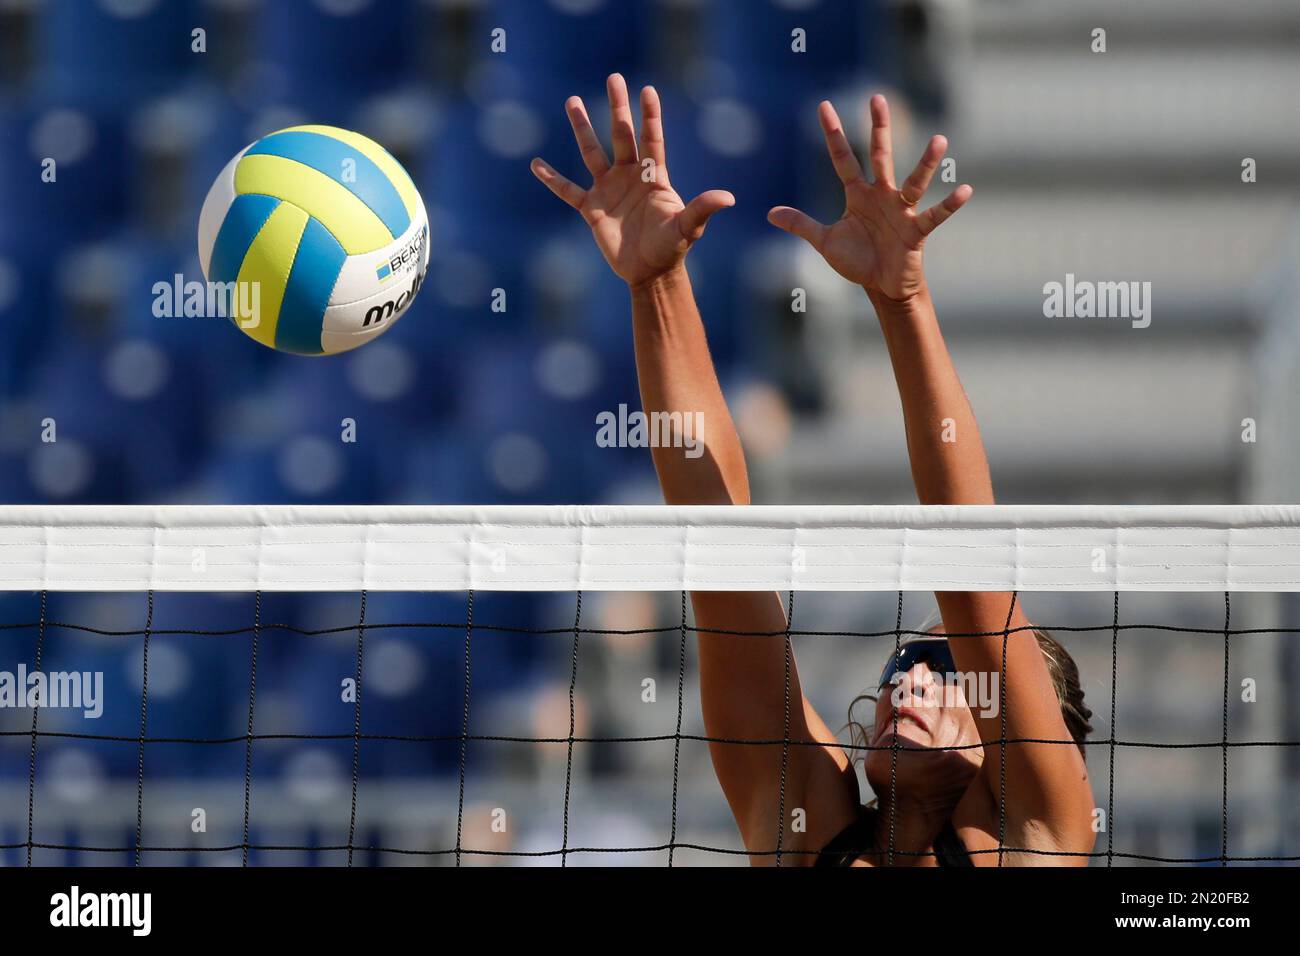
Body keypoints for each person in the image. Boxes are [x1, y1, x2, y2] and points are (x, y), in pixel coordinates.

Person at [531, 74, 1096, 866]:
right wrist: (656, 286)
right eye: (906, 662)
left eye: (947, 668)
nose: (909, 682)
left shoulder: (1037, 839)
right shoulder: (811, 827)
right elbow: (717, 549)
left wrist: (904, 303)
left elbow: (971, 571)